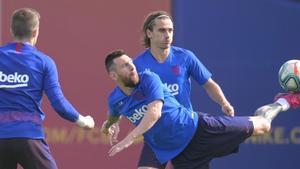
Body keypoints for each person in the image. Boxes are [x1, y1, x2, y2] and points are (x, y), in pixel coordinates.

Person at [101, 50, 289, 169]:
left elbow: (154, 112)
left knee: (264, 126)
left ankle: (283, 102)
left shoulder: (149, 79)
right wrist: (110, 124)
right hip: (178, 153)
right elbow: (113, 113)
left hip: (199, 130)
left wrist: (129, 138)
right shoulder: (115, 100)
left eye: (131, 62)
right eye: (125, 66)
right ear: (113, 75)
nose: (132, 67)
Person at [0, 8, 95, 169]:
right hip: (29, 137)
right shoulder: (44, 62)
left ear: (11, 30)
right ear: (36, 32)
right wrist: (83, 121)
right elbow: (58, 103)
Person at [134, 11, 234, 116]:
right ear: (149, 33)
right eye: (162, 30)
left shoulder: (185, 57)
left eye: (170, 30)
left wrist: (224, 103)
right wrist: (115, 122)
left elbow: (209, 84)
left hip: (185, 123)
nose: (167, 35)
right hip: (155, 127)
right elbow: (126, 95)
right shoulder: (137, 65)